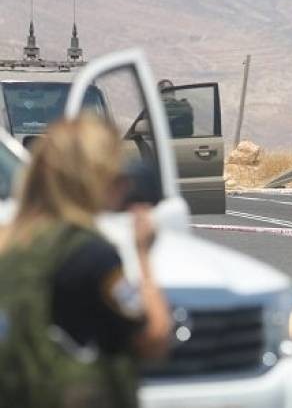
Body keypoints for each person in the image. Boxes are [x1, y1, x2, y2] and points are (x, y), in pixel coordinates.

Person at [0, 116, 171, 407]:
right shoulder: (91, 255)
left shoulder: (10, 242)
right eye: (115, 176)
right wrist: (144, 257)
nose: (124, 185)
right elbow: (153, 340)